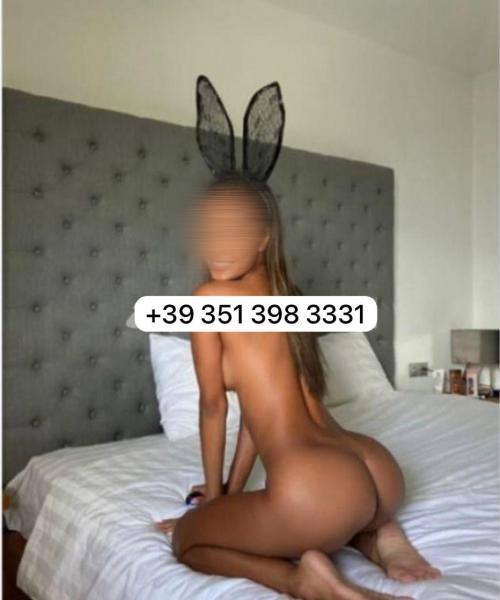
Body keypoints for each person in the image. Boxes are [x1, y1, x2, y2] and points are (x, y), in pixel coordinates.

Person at [156, 77, 440, 600]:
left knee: (188, 541)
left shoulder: (209, 298)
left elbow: (215, 408)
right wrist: (234, 492)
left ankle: (302, 579)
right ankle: (379, 535)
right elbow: (255, 419)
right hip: (376, 468)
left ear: (263, 237)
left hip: (319, 488)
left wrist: (215, 501)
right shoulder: (289, 296)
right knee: (333, 509)